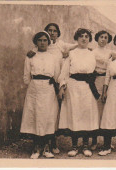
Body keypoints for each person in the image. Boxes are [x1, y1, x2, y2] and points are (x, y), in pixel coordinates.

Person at [27, 23, 78, 154]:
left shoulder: (60, 45)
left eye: (54, 31)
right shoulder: (34, 51)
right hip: (39, 86)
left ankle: (52, 143)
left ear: (57, 33)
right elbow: (28, 72)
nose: (51, 33)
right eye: (49, 30)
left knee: (53, 114)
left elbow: (77, 45)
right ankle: (41, 145)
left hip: (56, 82)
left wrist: (60, 86)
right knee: (40, 114)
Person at [58, 28, 100, 157]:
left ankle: (86, 145)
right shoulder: (72, 53)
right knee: (74, 114)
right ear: (77, 38)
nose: (84, 38)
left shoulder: (93, 53)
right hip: (74, 86)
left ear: (89, 39)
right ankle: (74, 146)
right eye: (81, 36)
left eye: (87, 36)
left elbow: (107, 58)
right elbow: (64, 72)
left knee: (86, 114)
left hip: (88, 87)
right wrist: (62, 87)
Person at [20, 31, 60, 159]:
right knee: (36, 116)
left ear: (48, 42)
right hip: (35, 89)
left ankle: (46, 147)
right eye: (40, 40)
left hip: (48, 89)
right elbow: (26, 75)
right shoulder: (31, 56)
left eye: (45, 40)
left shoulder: (53, 57)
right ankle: (36, 147)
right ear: (36, 42)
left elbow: (57, 74)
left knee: (48, 116)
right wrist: (33, 85)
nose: (42, 43)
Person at [90, 30, 113, 150]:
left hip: (108, 81)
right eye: (101, 37)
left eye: (105, 37)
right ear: (97, 38)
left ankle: (107, 141)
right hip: (95, 80)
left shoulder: (111, 52)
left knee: (106, 111)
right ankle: (94, 140)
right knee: (95, 110)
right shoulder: (92, 52)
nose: (103, 39)